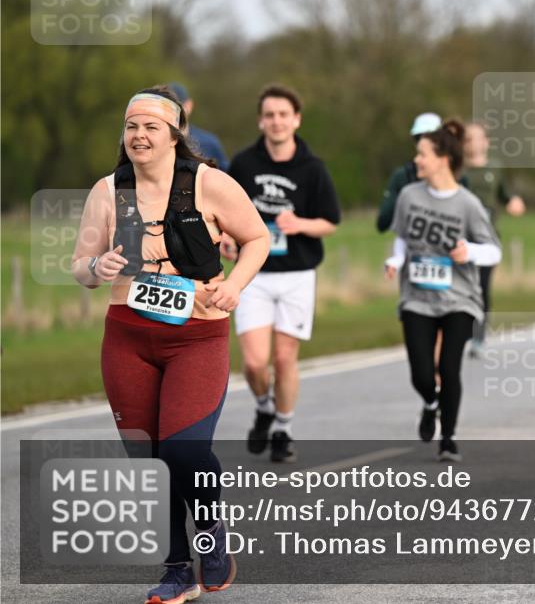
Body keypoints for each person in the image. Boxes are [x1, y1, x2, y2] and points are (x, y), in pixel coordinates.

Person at [72, 86, 269, 603]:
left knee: (184, 450)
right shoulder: (106, 191)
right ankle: (177, 569)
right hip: (128, 338)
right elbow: (80, 267)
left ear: (175, 135)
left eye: (151, 127)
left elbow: (257, 238)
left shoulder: (209, 184)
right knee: (148, 460)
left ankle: (211, 534)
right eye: (131, 126)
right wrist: (98, 267)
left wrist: (235, 285)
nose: (139, 135)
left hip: (197, 337)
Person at [224, 84, 341, 462]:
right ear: (261, 120)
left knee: (284, 359)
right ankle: (264, 407)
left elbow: (330, 222)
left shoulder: (313, 168)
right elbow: (222, 213)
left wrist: (300, 224)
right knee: (256, 362)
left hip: (297, 273)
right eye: (269, 115)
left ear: (296, 120)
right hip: (252, 273)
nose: (276, 121)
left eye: (283, 114)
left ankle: (283, 430)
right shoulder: (243, 165)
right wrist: (225, 239)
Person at [384, 119, 501, 462]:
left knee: (449, 369)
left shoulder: (467, 204)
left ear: (442, 159)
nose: (416, 161)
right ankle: (430, 402)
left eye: (422, 154)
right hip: (417, 298)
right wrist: (396, 259)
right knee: (422, 373)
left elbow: (494, 249)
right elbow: (402, 238)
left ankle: (448, 438)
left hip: (459, 300)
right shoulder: (409, 196)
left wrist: (470, 252)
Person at [461, 121, 525, 353]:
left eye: (478, 138)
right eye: (469, 139)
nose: (474, 143)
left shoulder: (495, 168)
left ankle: (479, 335)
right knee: (464, 287)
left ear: (486, 142)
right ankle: (461, 331)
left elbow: (505, 193)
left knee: (482, 287)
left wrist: (514, 202)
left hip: (488, 239)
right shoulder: (459, 170)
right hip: (463, 239)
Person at [376, 113, 443, 233]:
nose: (423, 143)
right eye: (419, 138)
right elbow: (382, 223)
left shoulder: (457, 177)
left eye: (431, 138)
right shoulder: (402, 176)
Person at [168, 82, 229, 171]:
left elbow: (226, 178)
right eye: (169, 107)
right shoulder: (154, 142)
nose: (174, 111)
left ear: (189, 105)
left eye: (178, 106)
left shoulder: (209, 143)